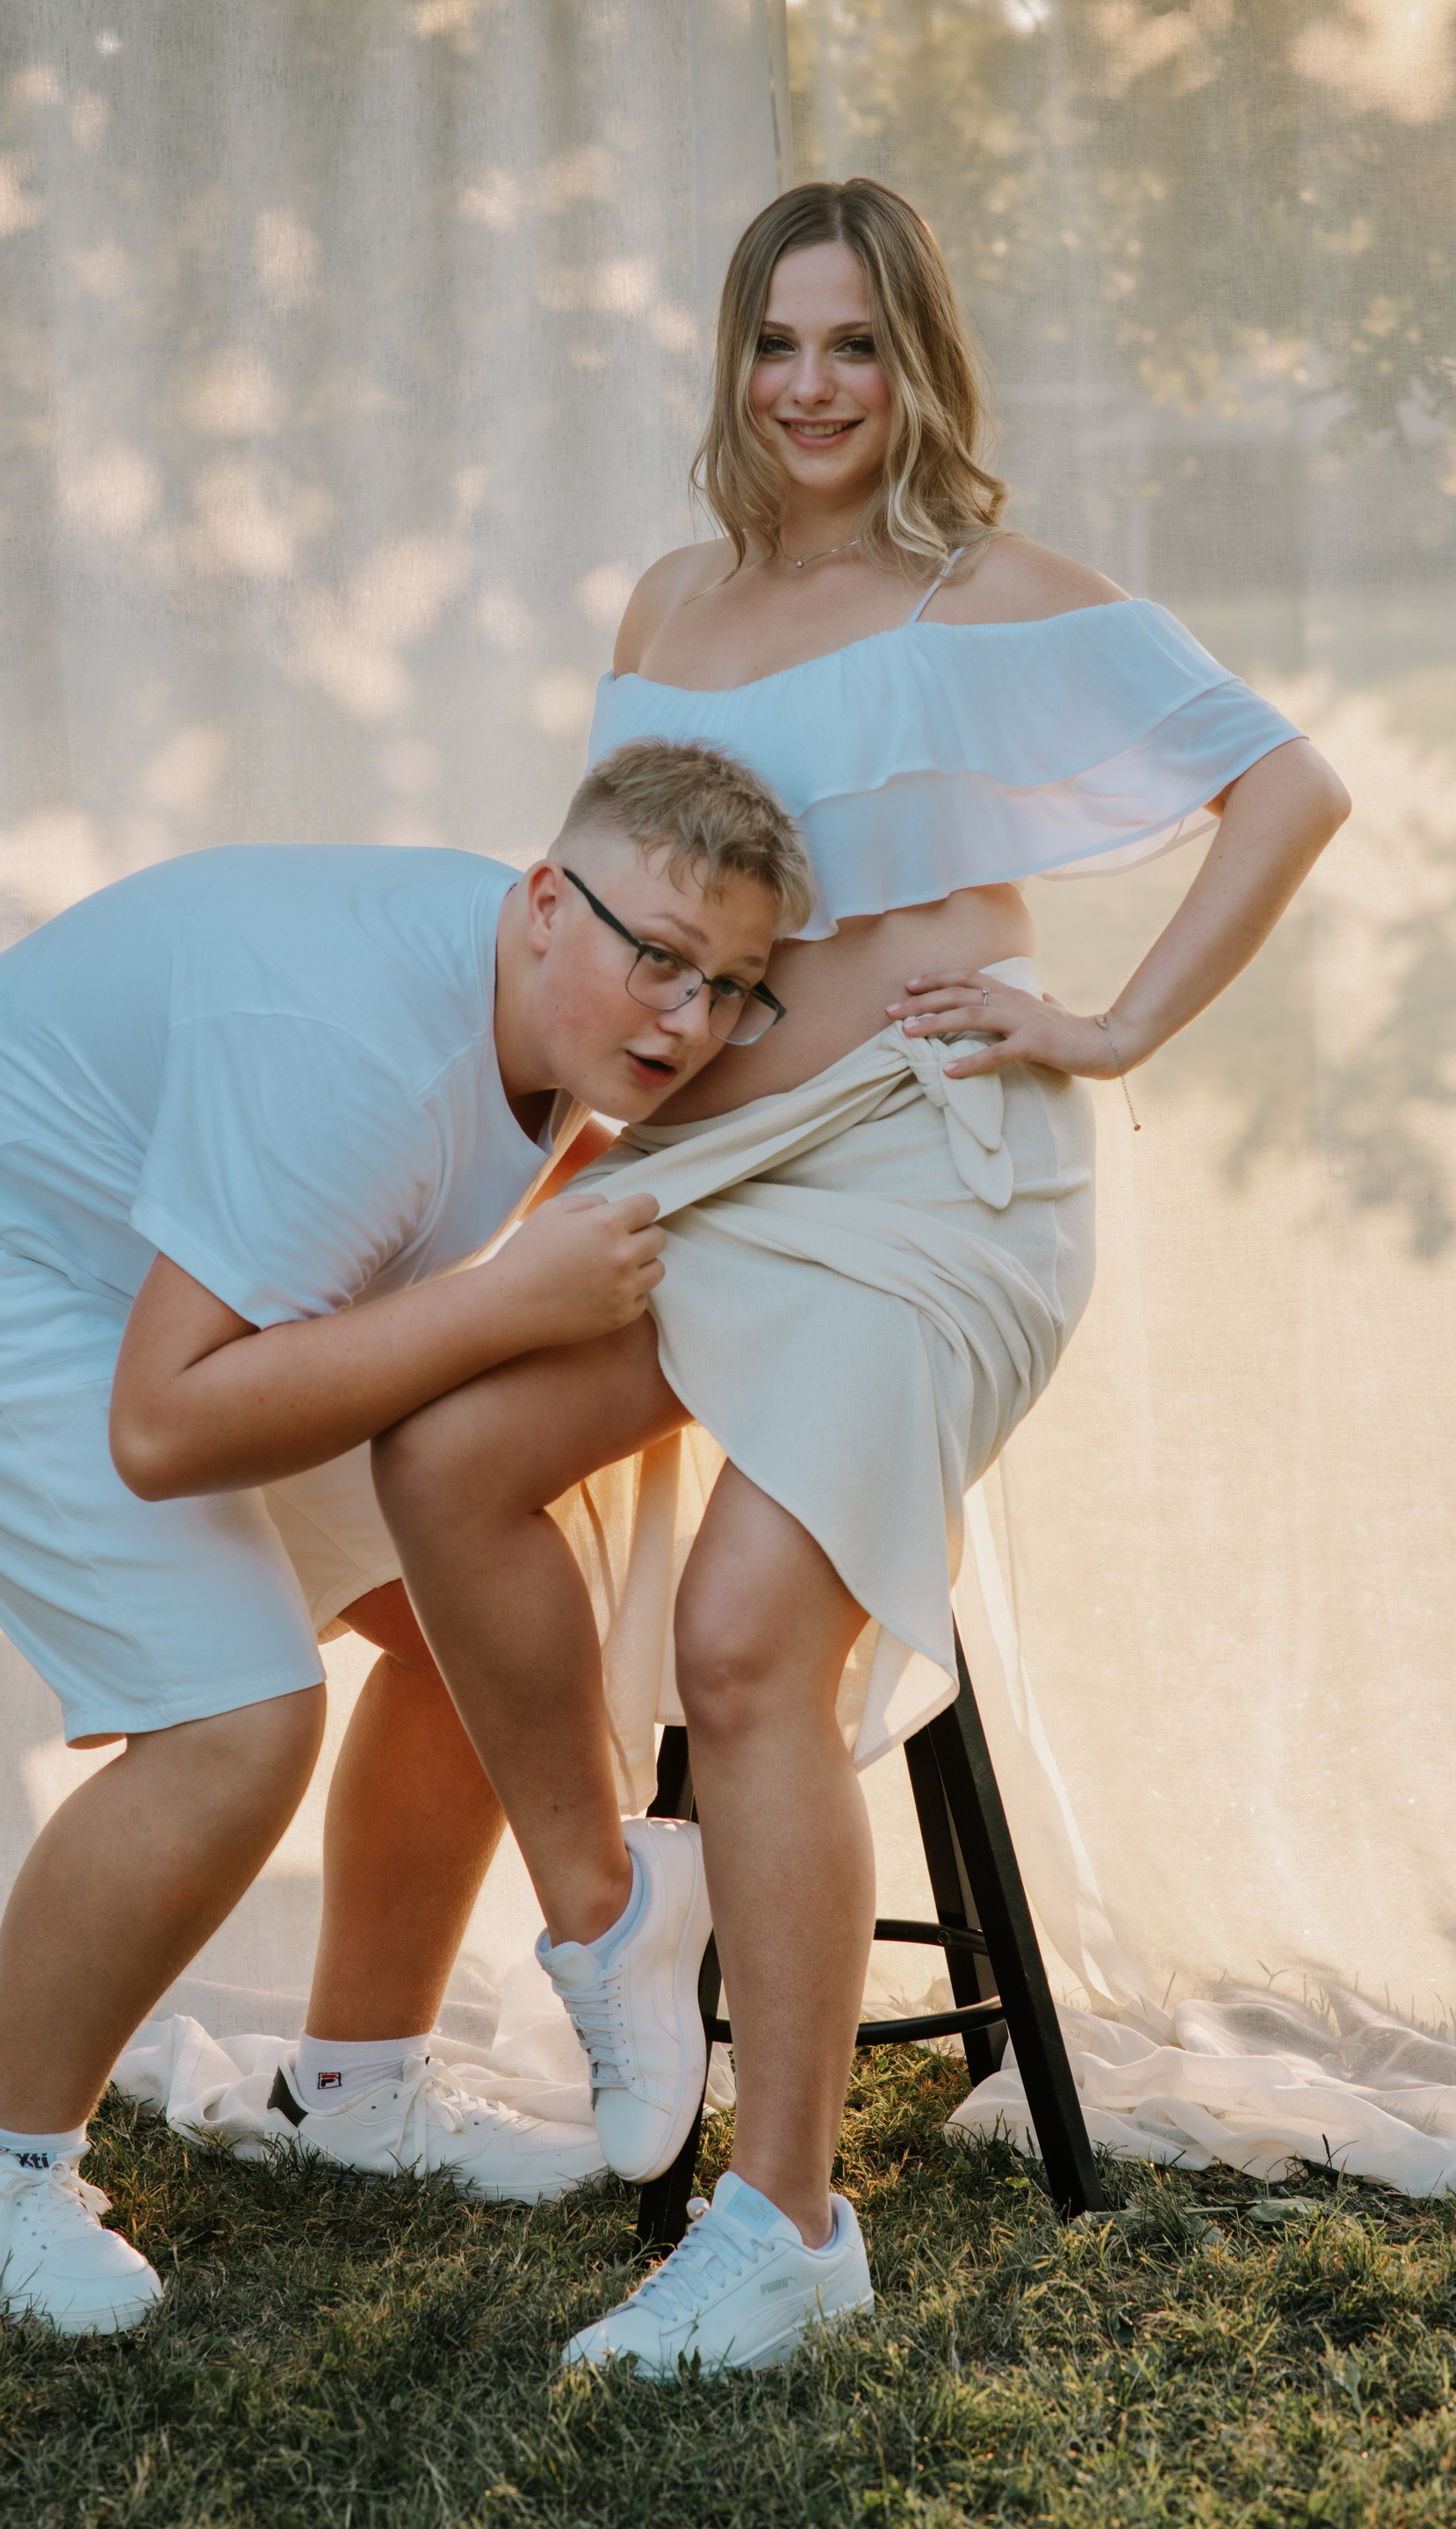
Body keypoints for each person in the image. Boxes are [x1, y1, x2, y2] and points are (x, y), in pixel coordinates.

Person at [371, 177, 1352, 2379]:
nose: (811, 388)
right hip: (708, 1170)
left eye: (856, 346)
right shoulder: (669, 598)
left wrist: (1112, 1025)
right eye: (776, 343)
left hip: (929, 1179)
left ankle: (788, 2224)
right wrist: (536, 1184)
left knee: (742, 1644)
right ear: (733, 361)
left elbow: (1291, 792)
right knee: (438, 1450)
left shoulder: (984, 588)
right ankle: (618, 1914)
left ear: (917, 364)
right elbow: (631, 933)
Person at [0, 739, 815, 2335]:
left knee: (472, 1609)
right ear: (547, 900)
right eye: (662, 962)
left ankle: (355, 2088)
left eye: (733, 988)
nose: (688, 1021)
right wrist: (505, 1303)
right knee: (236, 1723)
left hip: (154, 1274)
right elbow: (163, 1430)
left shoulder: (551, 1005)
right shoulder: (358, 1054)